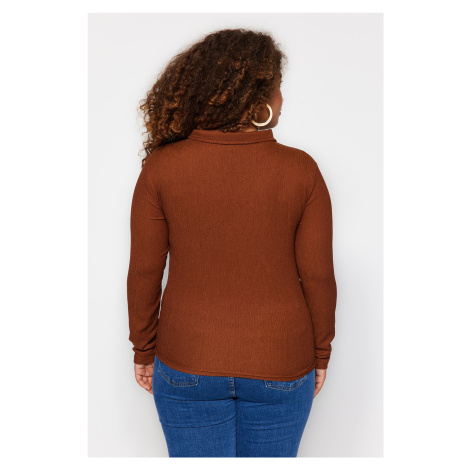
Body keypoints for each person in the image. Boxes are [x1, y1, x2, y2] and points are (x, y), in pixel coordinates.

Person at [127, 28, 337, 458]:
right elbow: (318, 277)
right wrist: (320, 354)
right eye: (278, 88)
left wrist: (144, 349)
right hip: (281, 362)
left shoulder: (161, 168)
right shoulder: (301, 170)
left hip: (186, 361)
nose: (282, 99)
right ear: (255, 99)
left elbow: (145, 272)